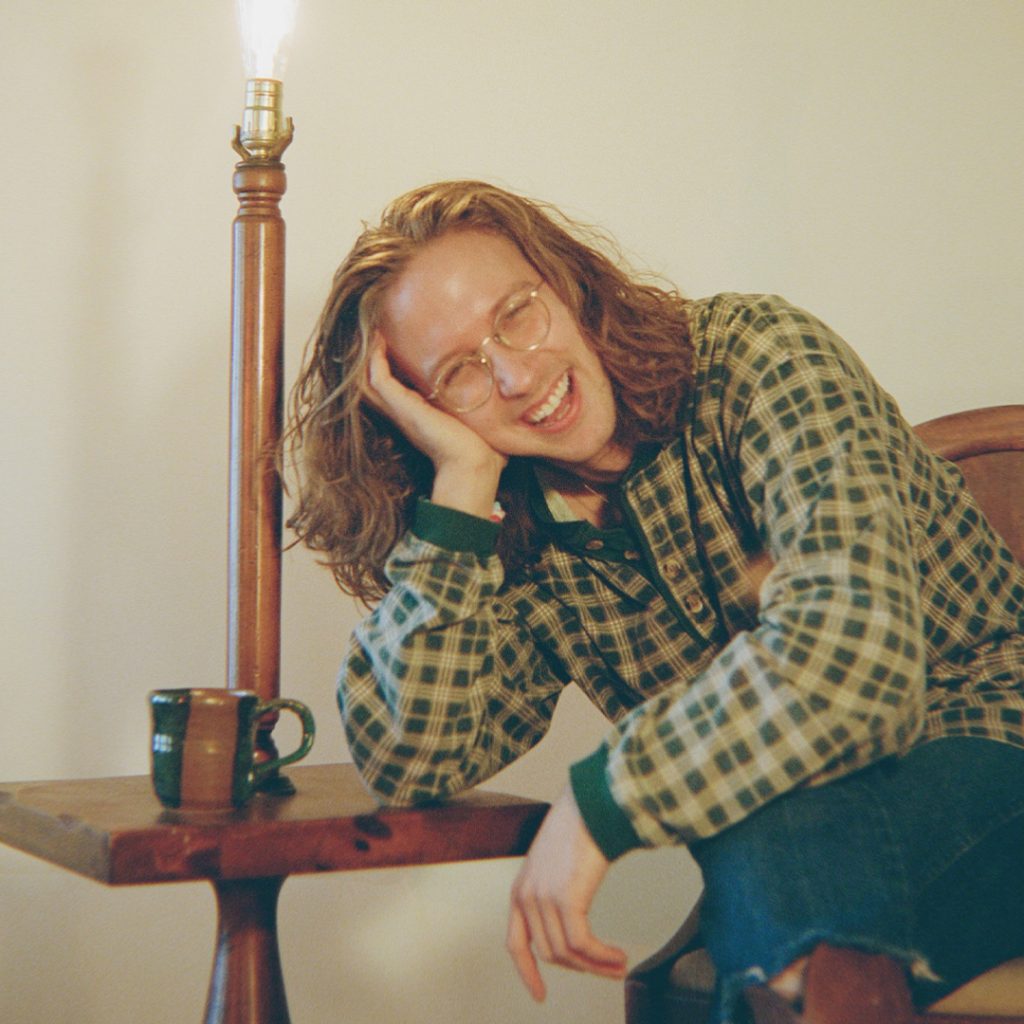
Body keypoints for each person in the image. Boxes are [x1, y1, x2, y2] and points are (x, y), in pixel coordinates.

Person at [284, 180, 1024, 1023]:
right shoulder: (520, 531)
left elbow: (857, 664)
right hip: (804, 845)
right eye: (460, 374)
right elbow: (413, 759)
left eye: (517, 313)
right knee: (770, 853)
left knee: (765, 851)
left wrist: (603, 800)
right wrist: (460, 486)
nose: (517, 376)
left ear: (568, 282)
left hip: (996, 750)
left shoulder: (760, 358)